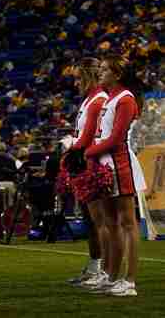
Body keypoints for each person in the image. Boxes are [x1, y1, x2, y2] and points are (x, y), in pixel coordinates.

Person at [84, 54, 146, 296]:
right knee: (112, 223)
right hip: (105, 163)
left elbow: (116, 138)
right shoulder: (110, 98)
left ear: (117, 75)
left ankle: (129, 281)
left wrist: (86, 151)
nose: (100, 73)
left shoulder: (126, 99)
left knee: (128, 224)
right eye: (99, 69)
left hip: (120, 164)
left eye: (104, 70)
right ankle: (112, 276)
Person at [65, 57, 109, 286]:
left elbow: (89, 136)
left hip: (94, 165)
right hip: (85, 163)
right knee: (91, 221)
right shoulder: (88, 100)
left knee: (99, 221)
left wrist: (70, 144)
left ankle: (103, 270)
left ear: (89, 76)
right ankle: (94, 267)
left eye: (78, 78)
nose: (75, 83)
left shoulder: (99, 100)